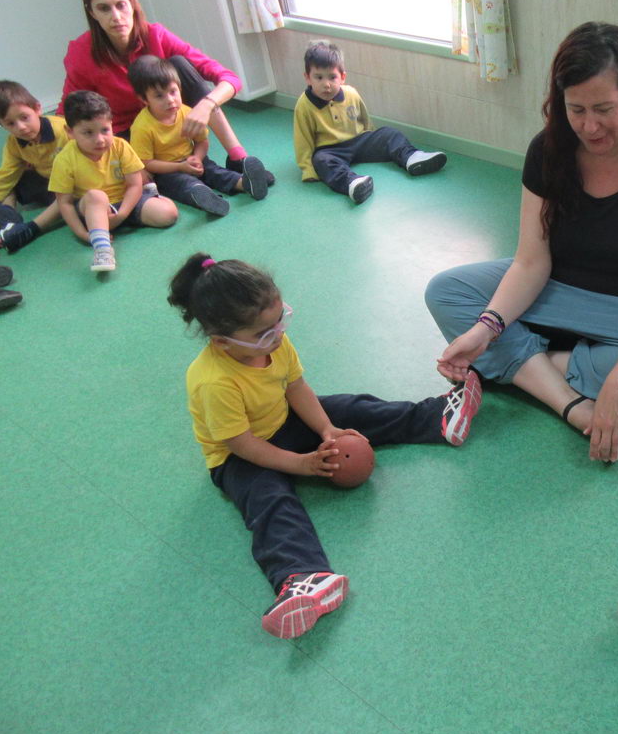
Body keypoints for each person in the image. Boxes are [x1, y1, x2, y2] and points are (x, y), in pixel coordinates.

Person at [426, 22, 618, 463]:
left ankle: (530, 364)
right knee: (446, 291)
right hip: (561, 289)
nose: (590, 126)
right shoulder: (548, 150)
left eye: (603, 108)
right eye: (576, 109)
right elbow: (530, 263)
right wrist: (487, 329)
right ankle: (570, 402)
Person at [168, 252, 483, 639]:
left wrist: (328, 429)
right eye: (263, 333)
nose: (278, 334)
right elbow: (242, 444)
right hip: (237, 456)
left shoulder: (273, 343)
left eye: (280, 319)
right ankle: (301, 578)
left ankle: (436, 418)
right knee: (268, 499)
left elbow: (297, 387)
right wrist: (302, 464)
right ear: (222, 342)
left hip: (281, 420)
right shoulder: (213, 381)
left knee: (352, 407)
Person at [62, 0, 273, 190]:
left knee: (180, 64)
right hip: (124, 135)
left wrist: (206, 105)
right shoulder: (81, 52)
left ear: (132, 4)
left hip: (168, 117)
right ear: (92, 13)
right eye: (104, 8)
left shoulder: (156, 35)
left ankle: (238, 159)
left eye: (120, 5)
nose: (115, 16)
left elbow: (229, 79)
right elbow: (69, 111)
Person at [293, 40, 446, 205]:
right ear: (308, 78)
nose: (327, 84)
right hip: (331, 150)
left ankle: (411, 157)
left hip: (359, 140)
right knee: (321, 161)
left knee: (389, 133)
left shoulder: (351, 94)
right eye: (319, 77)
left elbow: (364, 119)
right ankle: (352, 183)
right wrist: (308, 169)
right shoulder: (304, 105)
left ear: (343, 77)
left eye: (332, 77)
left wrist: (374, 139)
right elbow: (303, 139)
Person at [49, 90, 178, 272]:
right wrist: (83, 234)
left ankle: (128, 214)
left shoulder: (120, 146)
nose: (100, 140)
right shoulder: (64, 159)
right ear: (70, 132)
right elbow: (65, 203)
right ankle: (102, 248)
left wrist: (122, 214)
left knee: (168, 214)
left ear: (112, 124)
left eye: (105, 130)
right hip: (93, 210)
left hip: (124, 203)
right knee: (96, 196)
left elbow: (134, 185)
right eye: (88, 133)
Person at [128, 55, 267, 217]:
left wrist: (197, 158)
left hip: (192, 159)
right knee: (184, 184)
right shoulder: (142, 127)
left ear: (179, 88)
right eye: (159, 96)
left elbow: (201, 141)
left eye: (173, 92)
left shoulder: (187, 112)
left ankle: (245, 183)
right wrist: (180, 167)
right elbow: (147, 163)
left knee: (214, 171)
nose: (170, 100)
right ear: (144, 99)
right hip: (167, 171)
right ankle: (208, 198)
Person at [0, 81, 71, 253]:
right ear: (2, 125)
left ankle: (30, 229)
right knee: (13, 179)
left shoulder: (62, 130)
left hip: (72, 185)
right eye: (11, 124)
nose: (21, 128)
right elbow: (6, 177)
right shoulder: (13, 144)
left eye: (24, 117)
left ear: (38, 109)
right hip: (46, 183)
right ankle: (9, 222)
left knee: (75, 199)